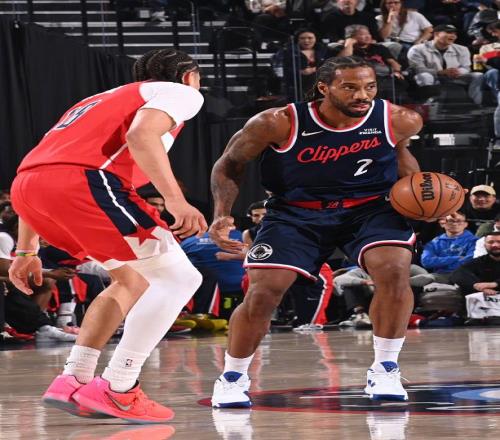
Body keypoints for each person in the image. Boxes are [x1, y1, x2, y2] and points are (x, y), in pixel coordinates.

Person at [209, 56, 423, 407]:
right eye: (350, 87)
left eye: (369, 87)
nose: (362, 95)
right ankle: (232, 376)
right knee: (264, 292)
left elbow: (400, 155)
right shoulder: (276, 122)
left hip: (369, 209)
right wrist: (221, 215)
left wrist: (423, 192)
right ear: (324, 88)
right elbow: (229, 164)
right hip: (295, 212)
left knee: (395, 270)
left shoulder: (399, 119)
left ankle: (385, 368)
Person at [8, 49, 207, 423]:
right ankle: (120, 386)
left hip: (29, 187)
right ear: (189, 76)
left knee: (131, 280)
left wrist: (26, 250)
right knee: (181, 278)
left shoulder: (97, 100)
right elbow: (141, 135)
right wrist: (176, 200)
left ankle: (75, 378)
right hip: (85, 184)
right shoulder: (181, 92)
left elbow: (44, 164)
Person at [407, 24, 484, 105]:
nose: (453, 36)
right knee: (425, 76)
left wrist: (457, 71)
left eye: (455, 34)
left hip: (454, 77)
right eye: (449, 32)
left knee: (478, 75)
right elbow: (418, 69)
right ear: (436, 34)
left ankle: (476, 103)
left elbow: (466, 68)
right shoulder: (417, 49)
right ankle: (427, 104)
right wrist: (440, 72)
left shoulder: (462, 49)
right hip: (432, 77)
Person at [420, 212, 478, 283]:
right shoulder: (433, 243)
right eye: (451, 221)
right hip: (439, 276)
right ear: (442, 223)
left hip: (465, 275)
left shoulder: (475, 241)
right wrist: (457, 258)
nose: (455, 224)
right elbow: (426, 262)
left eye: (459, 221)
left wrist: (441, 263)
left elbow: (471, 261)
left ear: (465, 224)